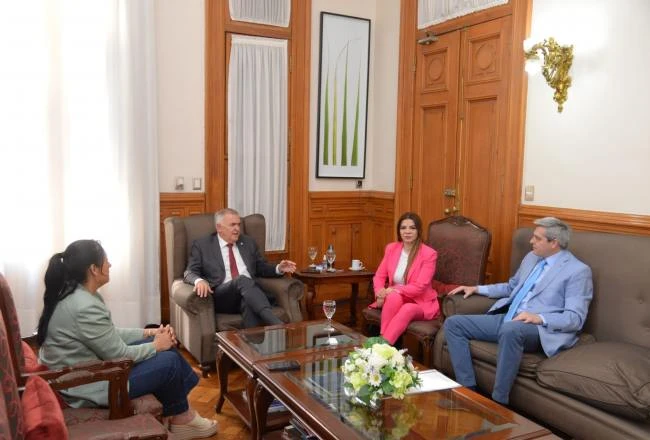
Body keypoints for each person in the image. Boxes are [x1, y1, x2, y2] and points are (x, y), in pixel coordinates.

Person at [37, 239, 217, 440]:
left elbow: (110, 335)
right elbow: (119, 355)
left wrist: (149, 334)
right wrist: (156, 345)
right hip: (87, 385)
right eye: (106, 260)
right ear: (94, 269)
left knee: (167, 351)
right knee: (170, 362)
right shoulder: (84, 305)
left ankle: (180, 415)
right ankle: (183, 417)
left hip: (89, 368)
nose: (110, 264)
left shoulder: (79, 294)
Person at [444, 217, 593, 405]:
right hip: (510, 317)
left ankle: (498, 403)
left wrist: (538, 317)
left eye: (537, 238)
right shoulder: (532, 257)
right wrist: (477, 289)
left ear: (554, 243)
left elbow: (575, 318)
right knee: (453, 323)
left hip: (539, 329)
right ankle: (468, 391)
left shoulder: (578, 271)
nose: (532, 241)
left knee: (511, 329)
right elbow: (512, 287)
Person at [184, 208, 297, 328]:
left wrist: (279, 268)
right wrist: (199, 281)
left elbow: (260, 267)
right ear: (219, 227)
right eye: (232, 225)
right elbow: (189, 272)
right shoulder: (203, 245)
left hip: (250, 294)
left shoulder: (248, 242)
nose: (237, 229)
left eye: (238, 224)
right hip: (223, 297)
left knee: (248, 303)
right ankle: (275, 322)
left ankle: (252, 345)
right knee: (241, 280)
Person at [369, 212, 440, 344]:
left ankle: (382, 345)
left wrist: (396, 290)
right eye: (403, 228)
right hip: (394, 298)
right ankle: (386, 344)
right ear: (399, 231)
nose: (407, 231)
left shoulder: (429, 254)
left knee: (406, 307)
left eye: (412, 228)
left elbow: (420, 287)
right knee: (393, 297)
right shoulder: (392, 248)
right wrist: (379, 293)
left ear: (418, 231)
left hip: (420, 302)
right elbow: (379, 276)